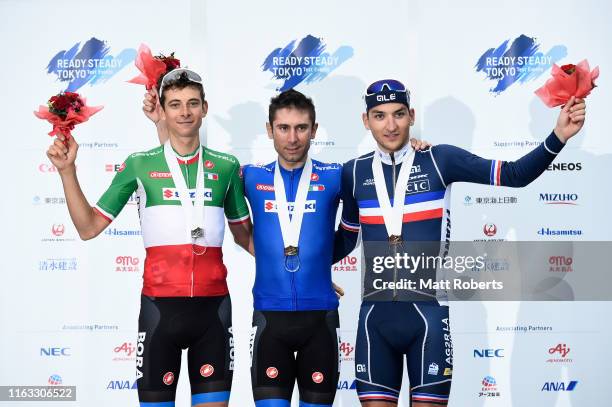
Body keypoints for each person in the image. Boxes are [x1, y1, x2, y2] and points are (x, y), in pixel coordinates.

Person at [333, 79, 586, 406]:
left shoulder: (440, 160)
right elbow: (345, 241)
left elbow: (514, 176)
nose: (391, 125)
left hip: (429, 318)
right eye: (379, 116)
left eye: (398, 114)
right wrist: (302, 267)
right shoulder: (352, 173)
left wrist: (559, 137)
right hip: (374, 321)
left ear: (411, 115)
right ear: (365, 121)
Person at [47, 68, 253, 407]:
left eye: (191, 103)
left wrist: (305, 272)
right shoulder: (140, 165)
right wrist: (67, 171)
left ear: (204, 107)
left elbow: (246, 237)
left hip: (213, 312)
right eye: (175, 104)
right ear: (164, 109)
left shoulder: (227, 166)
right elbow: (88, 228)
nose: (184, 112)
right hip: (160, 311)